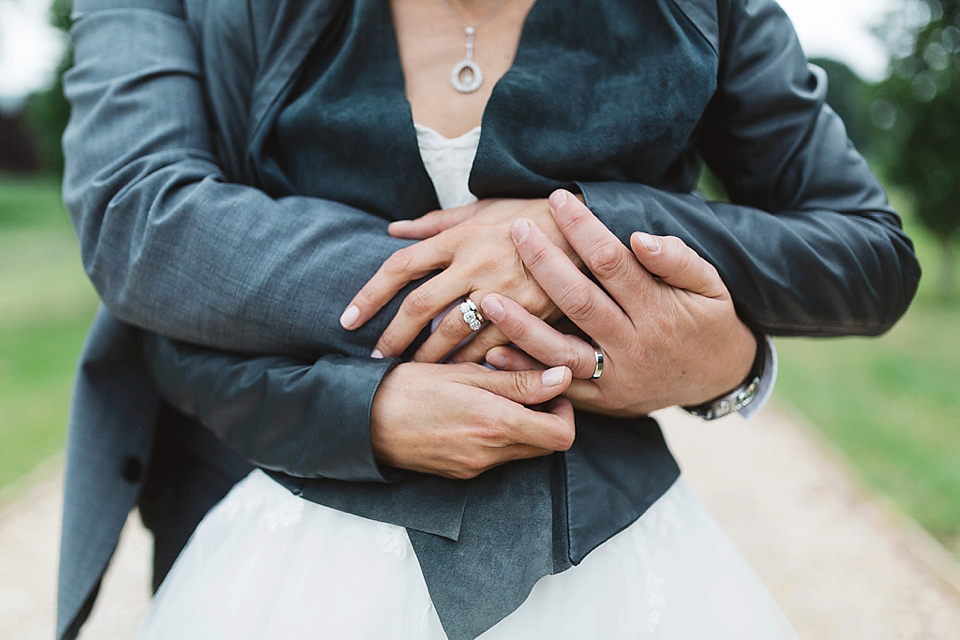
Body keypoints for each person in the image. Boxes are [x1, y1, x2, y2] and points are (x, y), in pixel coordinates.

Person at [56, 0, 920, 638]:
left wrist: (589, 239)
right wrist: (384, 392)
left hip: (603, 555)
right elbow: (146, 227)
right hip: (277, 536)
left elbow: (867, 250)